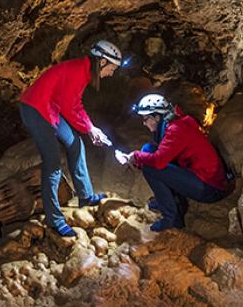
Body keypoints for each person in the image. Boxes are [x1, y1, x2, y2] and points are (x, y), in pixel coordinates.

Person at [19, 40, 122, 237]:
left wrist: (91, 128)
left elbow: (75, 104)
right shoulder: (77, 71)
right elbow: (69, 108)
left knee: (76, 144)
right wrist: (90, 129)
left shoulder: (82, 71)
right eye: (112, 68)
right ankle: (54, 219)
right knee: (53, 165)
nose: (112, 73)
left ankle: (86, 196)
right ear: (101, 62)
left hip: (50, 108)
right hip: (34, 109)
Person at [125, 93, 230, 232]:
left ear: (157, 117)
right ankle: (168, 200)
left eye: (146, 119)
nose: (144, 123)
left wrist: (136, 156)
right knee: (148, 149)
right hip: (200, 175)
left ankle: (172, 218)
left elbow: (159, 162)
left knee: (150, 168)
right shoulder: (173, 124)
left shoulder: (176, 130)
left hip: (209, 187)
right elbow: (161, 153)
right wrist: (141, 157)